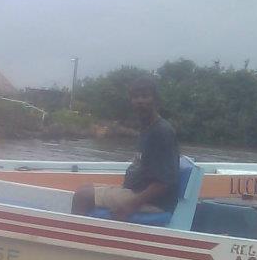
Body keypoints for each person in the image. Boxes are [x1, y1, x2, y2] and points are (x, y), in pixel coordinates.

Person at [72, 76, 179, 219]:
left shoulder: (161, 132)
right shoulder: (147, 127)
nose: (140, 101)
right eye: (135, 97)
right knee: (85, 187)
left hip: (154, 202)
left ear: (156, 100)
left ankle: (78, 238)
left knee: (82, 196)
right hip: (136, 191)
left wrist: (131, 204)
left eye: (145, 96)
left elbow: (164, 183)